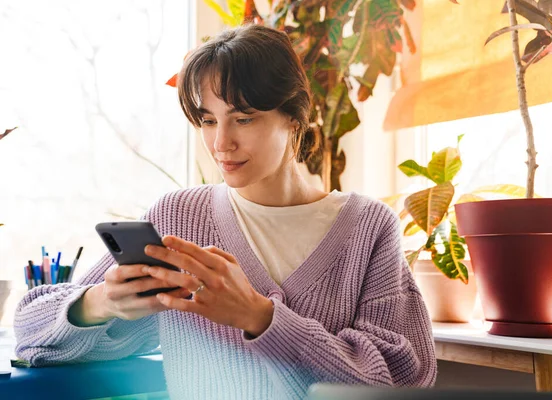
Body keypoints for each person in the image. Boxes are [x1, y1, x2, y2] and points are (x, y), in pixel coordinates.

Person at [13, 24, 437, 399]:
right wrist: (104, 302)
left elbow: (402, 379)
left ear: (294, 118)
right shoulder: (178, 218)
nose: (221, 144)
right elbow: (31, 333)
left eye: (244, 119)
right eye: (208, 120)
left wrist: (259, 316)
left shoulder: (368, 227)